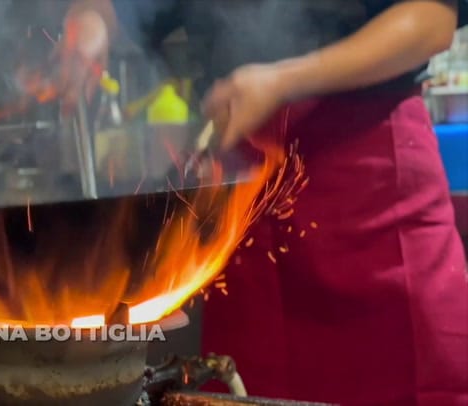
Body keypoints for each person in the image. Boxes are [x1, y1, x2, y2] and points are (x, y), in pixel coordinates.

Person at [57, 1, 468, 405]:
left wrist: (285, 81)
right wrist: (92, 21)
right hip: (245, 196)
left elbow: (431, 19)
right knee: (250, 388)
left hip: (370, 178)